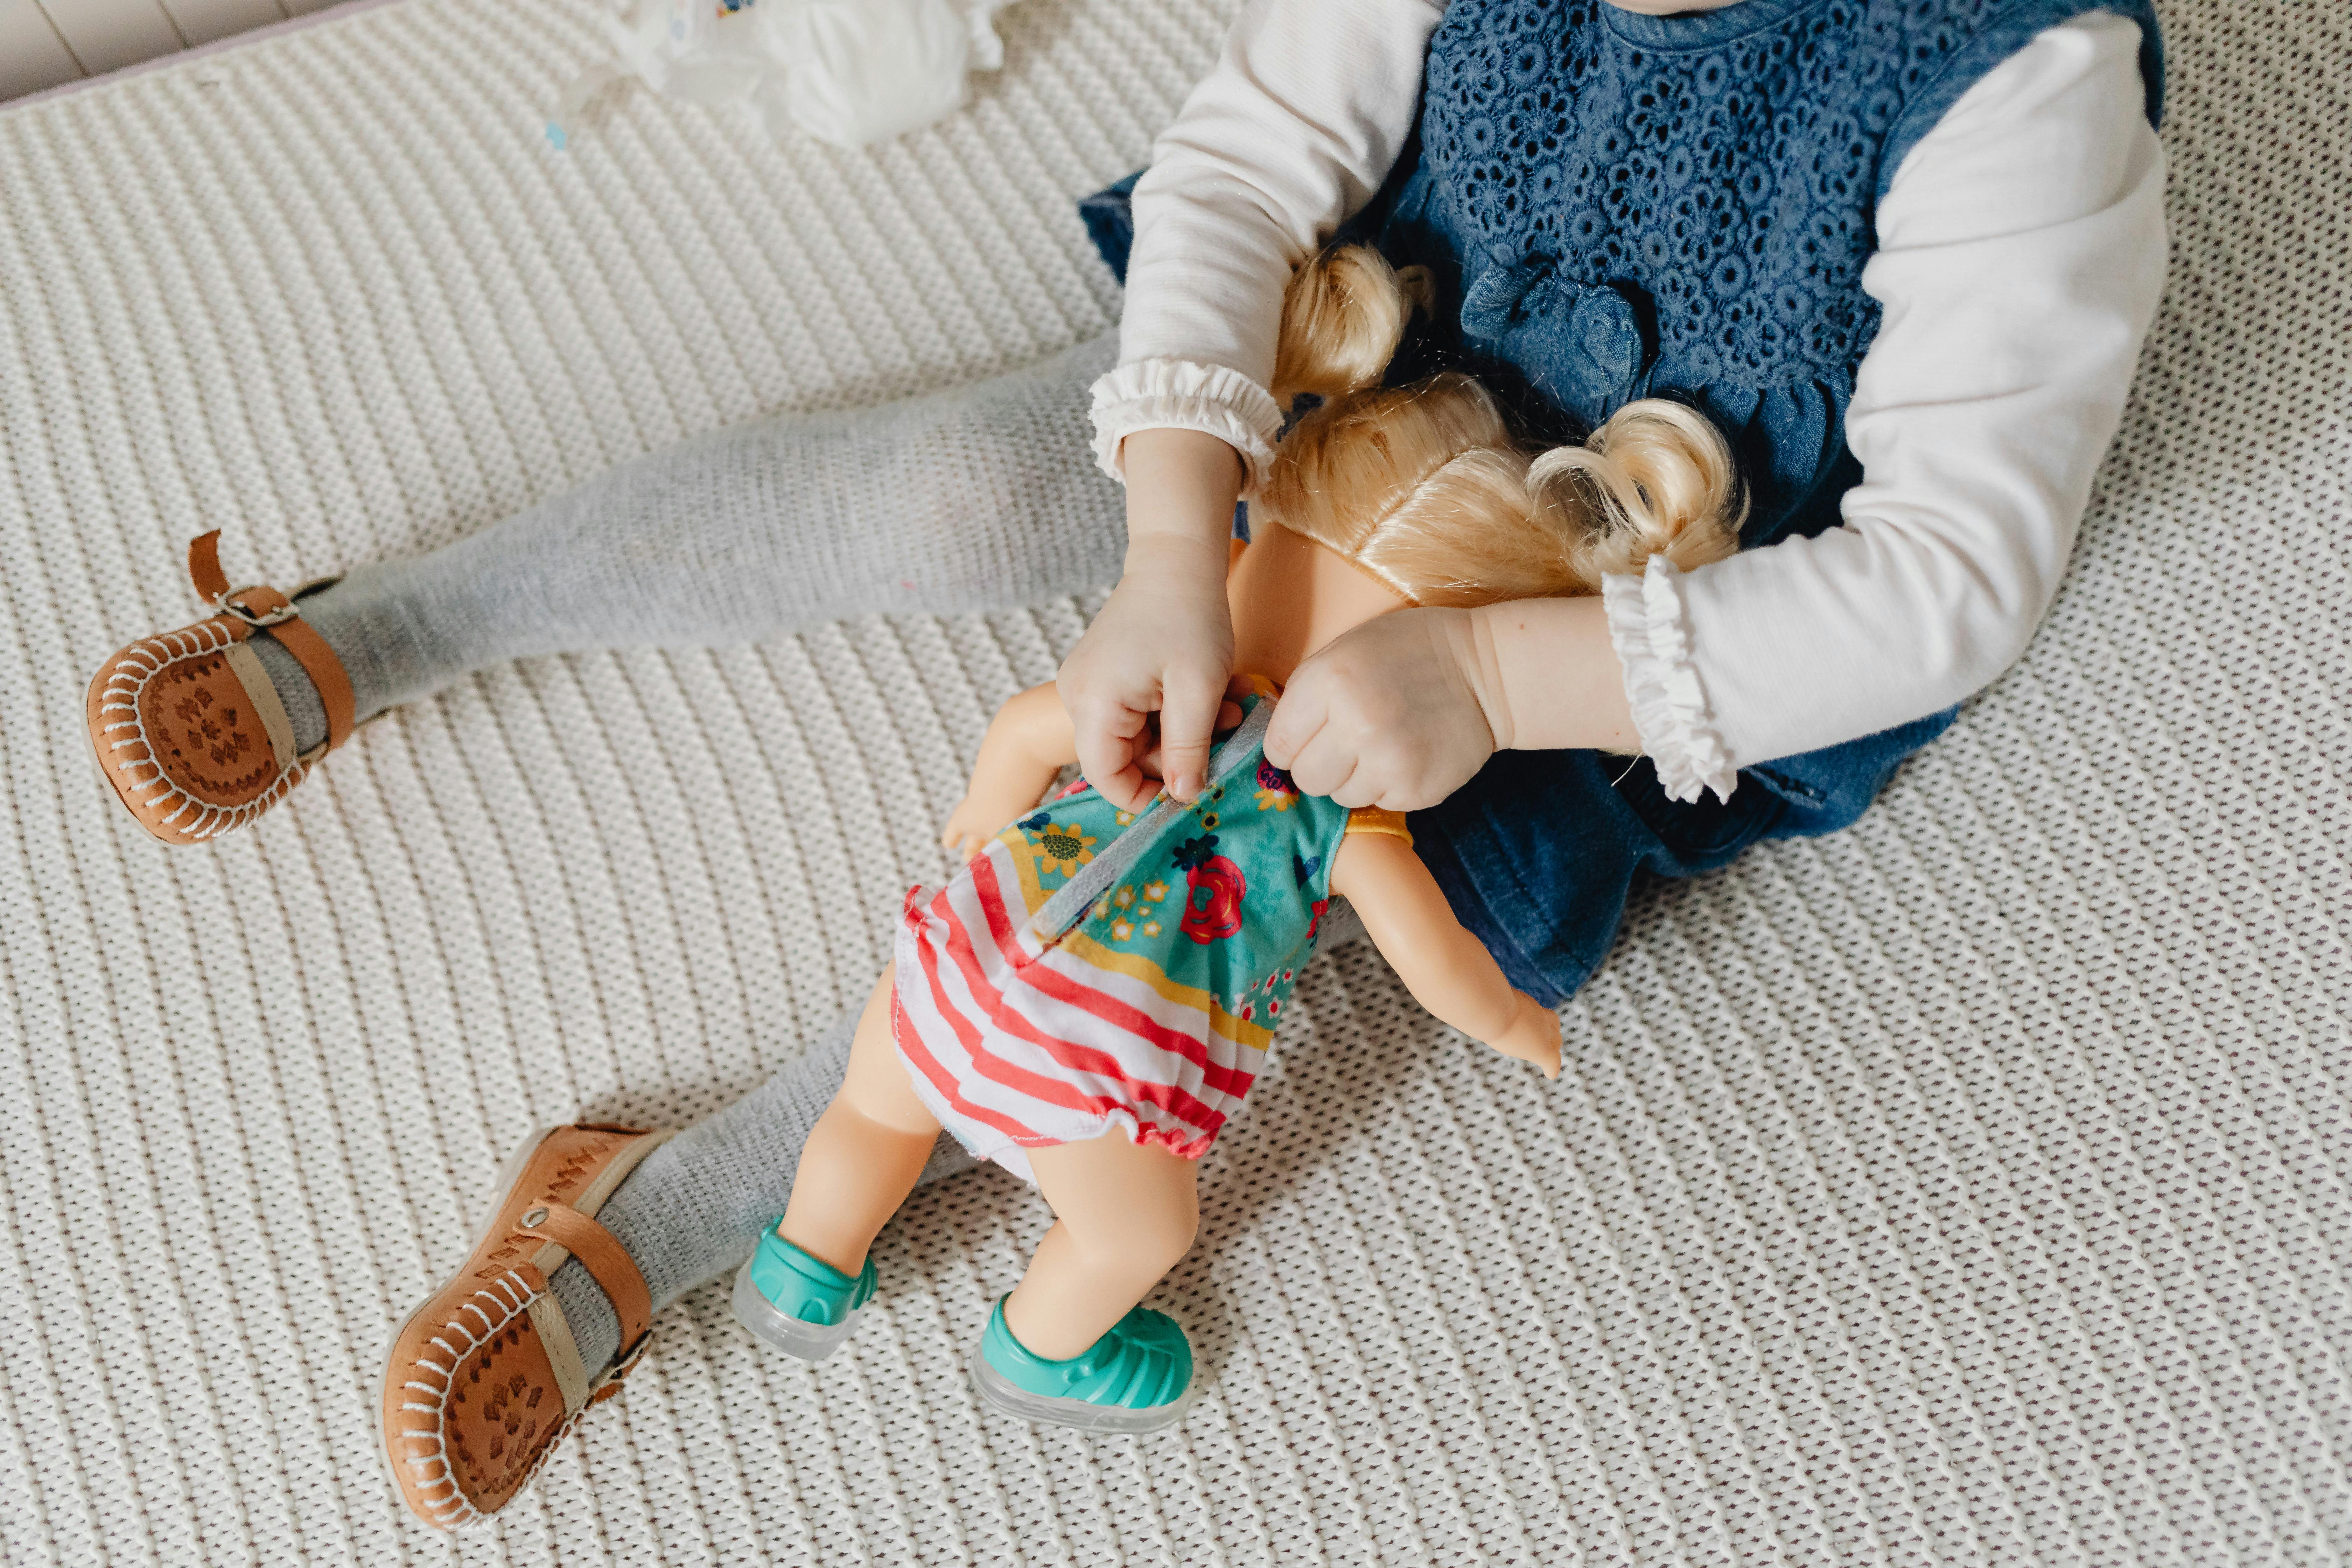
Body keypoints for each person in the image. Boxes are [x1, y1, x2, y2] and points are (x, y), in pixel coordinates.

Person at [82, 0, 2165, 1530]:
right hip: (1359, 352)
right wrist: (1179, 540)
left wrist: (1500, 687)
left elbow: (1949, 580)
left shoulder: (2018, 85)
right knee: (963, 498)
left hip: (1622, 572)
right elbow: (1251, 161)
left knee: (1215, 935)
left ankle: (696, 1209)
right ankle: (395, 620)